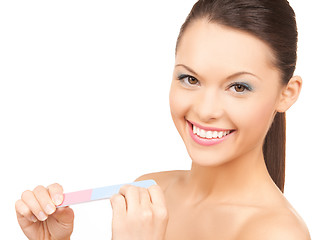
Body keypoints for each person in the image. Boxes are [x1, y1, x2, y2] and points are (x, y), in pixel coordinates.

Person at [15, 0, 311, 239]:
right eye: (190, 78)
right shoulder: (149, 192)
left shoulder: (277, 233)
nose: (206, 109)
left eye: (239, 87)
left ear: (287, 93)